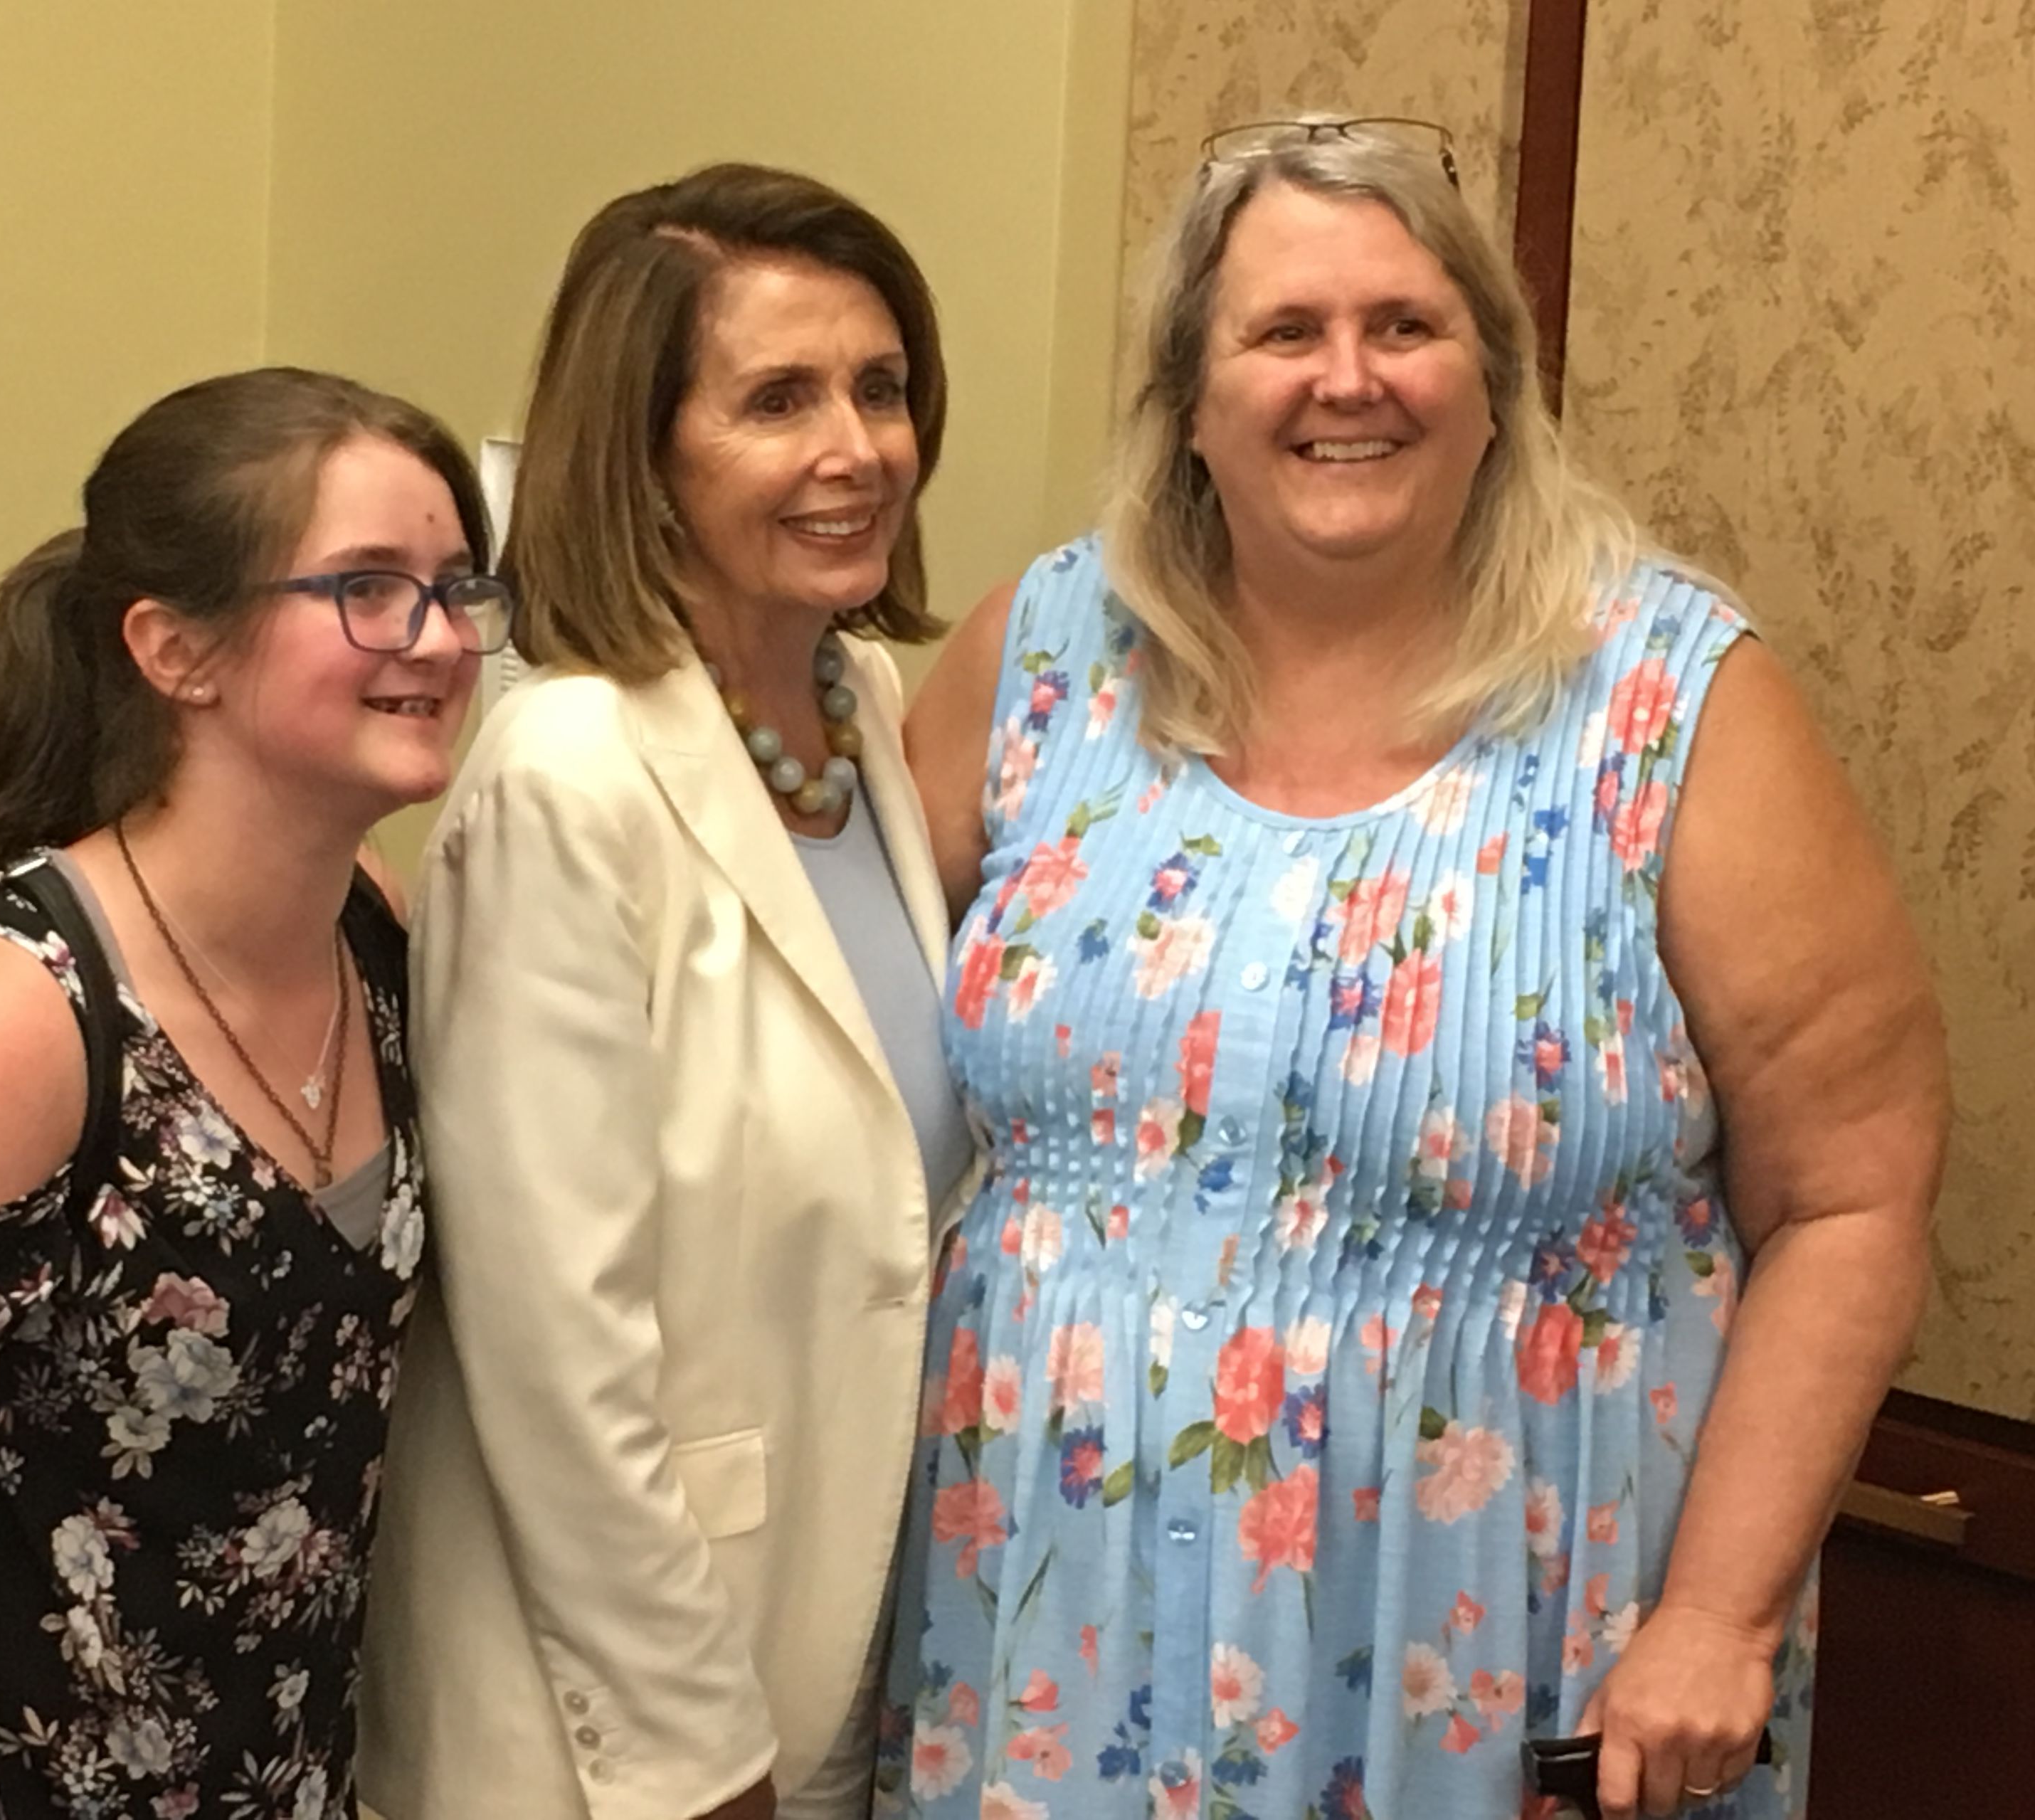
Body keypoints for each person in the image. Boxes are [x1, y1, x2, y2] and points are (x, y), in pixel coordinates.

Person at [879, 117, 1946, 1820]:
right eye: (1285, 331)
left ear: (1495, 380)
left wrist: (1722, 1616)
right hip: (1046, 1629)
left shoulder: (1672, 699)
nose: (1347, 378)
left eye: (1406, 325)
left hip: (1514, 1639)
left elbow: (1854, 1192)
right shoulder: (1047, 651)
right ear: (1192, 394)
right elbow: (812, 976)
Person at [0, 366, 507, 1819]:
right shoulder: (12, 1015)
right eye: (369, 587)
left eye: (458, 587)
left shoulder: (373, 932)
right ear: (176, 648)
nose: (440, 638)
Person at [361, 163, 977, 1820]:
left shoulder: (866, 710)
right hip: (615, 1719)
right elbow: (551, 1345)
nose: (855, 449)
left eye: (881, 387)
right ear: (642, 449)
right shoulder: (568, 770)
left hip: (835, 1630)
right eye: (776, 399)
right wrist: (695, 1756)